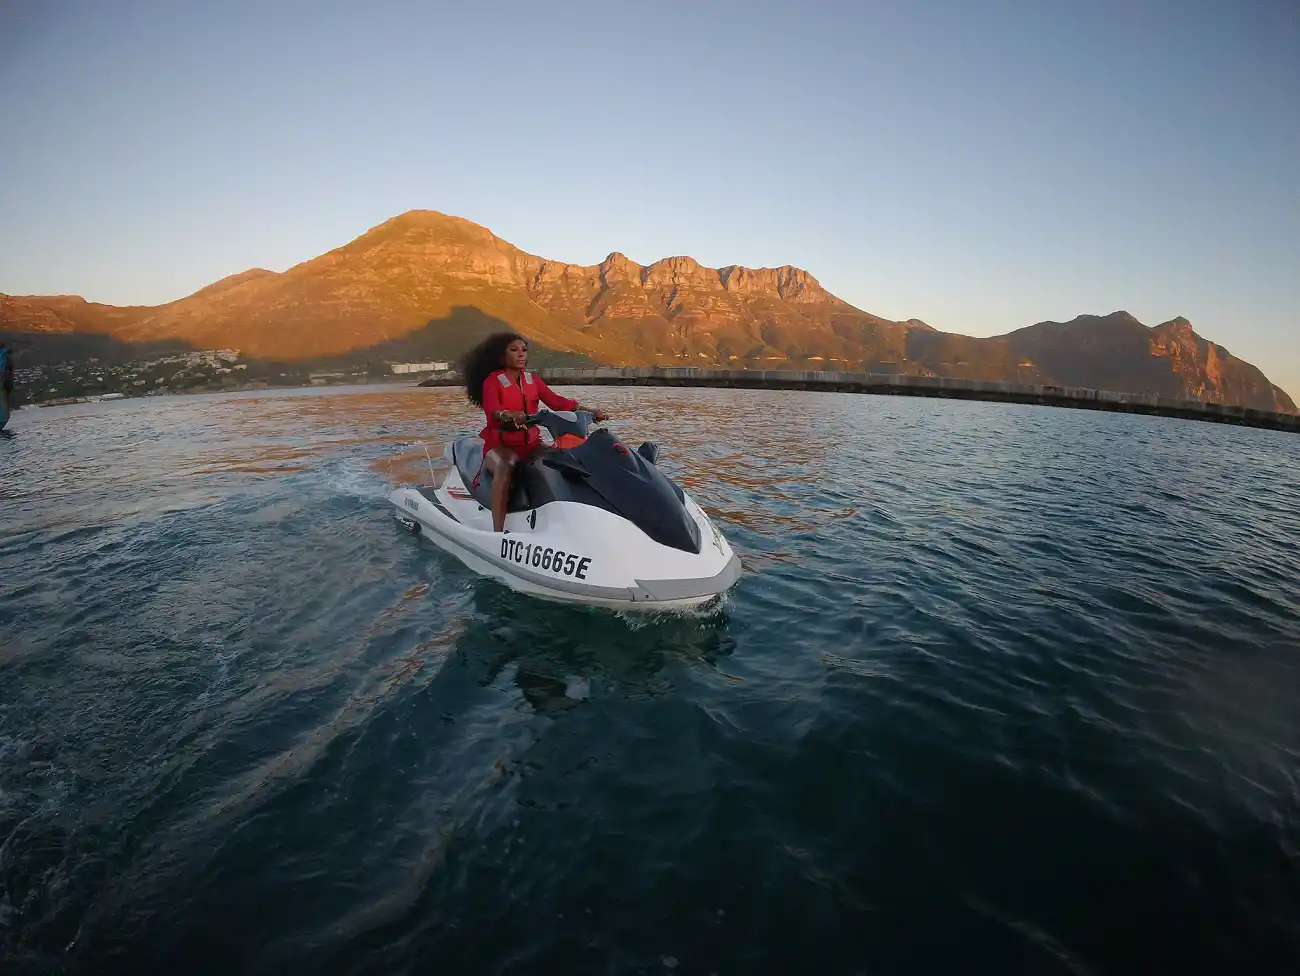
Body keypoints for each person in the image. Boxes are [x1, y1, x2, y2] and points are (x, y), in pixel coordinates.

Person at [461, 331, 609, 532]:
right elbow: (492, 410)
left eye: (524, 350)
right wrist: (508, 414)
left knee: (564, 461)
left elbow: (558, 402)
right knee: (506, 465)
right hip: (500, 446)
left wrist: (591, 411)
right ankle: (497, 531)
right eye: (514, 350)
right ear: (500, 356)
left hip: (531, 444)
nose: (521, 354)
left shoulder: (533, 381)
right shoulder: (492, 382)